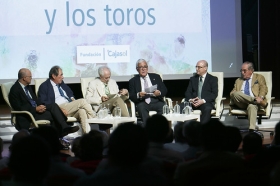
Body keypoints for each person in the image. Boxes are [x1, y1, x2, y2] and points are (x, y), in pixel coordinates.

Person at [8, 68, 79, 136]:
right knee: (53, 115)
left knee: (53, 106)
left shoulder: (27, 87)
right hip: (28, 115)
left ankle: (63, 129)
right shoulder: (15, 90)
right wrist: (35, 109)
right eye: (30, 76)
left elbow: (35, 100)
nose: (31, 78)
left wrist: (42, 105)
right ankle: (62, 132)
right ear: (24, 78)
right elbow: (18, 107)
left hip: (36, 110)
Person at [38, 66, 96, 134]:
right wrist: (59, 109)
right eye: (61, 75)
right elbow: (43, 102)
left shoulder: (61, 83)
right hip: (59, 107)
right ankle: (95, 118)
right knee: (83, 101)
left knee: (82, 111)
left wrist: (72, 99)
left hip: (69, 106)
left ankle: (86, 136)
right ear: (53, 76)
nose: (63, 77)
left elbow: (70, 93)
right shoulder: (44, 86)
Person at [230, 61, 268, 132]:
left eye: (244, 71)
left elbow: (264, 89)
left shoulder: (259, 77)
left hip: (255, 104)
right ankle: (253, 100)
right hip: (242, 103)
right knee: (236, 93)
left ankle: (251, 130)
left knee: (252, 106)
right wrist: (233, 93)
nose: (242, 73)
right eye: (241, 70)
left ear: (251, 70)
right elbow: (233, 92)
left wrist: (261, 97)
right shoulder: (238, 80)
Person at [129, 59, 167, 124]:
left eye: (145, 67)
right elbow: (131, 96)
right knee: (141, 108)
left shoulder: (156, 77)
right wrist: (139, 95)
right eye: (141, 67)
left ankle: (159, 127)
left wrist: (159, 93)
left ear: (147, 68)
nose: (143, 69)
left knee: (164, 107)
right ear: (137, 69)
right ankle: (148, 128)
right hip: (142, 102)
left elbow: (164, 90)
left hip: (156, 100)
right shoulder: (133, 81)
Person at [182, 60, 218, 124]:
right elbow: (188, 92)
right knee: (180, 107)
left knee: (207, 109)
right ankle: (182, 130)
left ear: (205, 68)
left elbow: (214, 94)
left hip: (205, 102)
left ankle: (202, 130)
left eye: (199, 67)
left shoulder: (213, 79)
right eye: (196, 67)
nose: (196, 69)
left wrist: (202, 101)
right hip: (193, 102)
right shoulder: (193, 79)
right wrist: (191, 100)